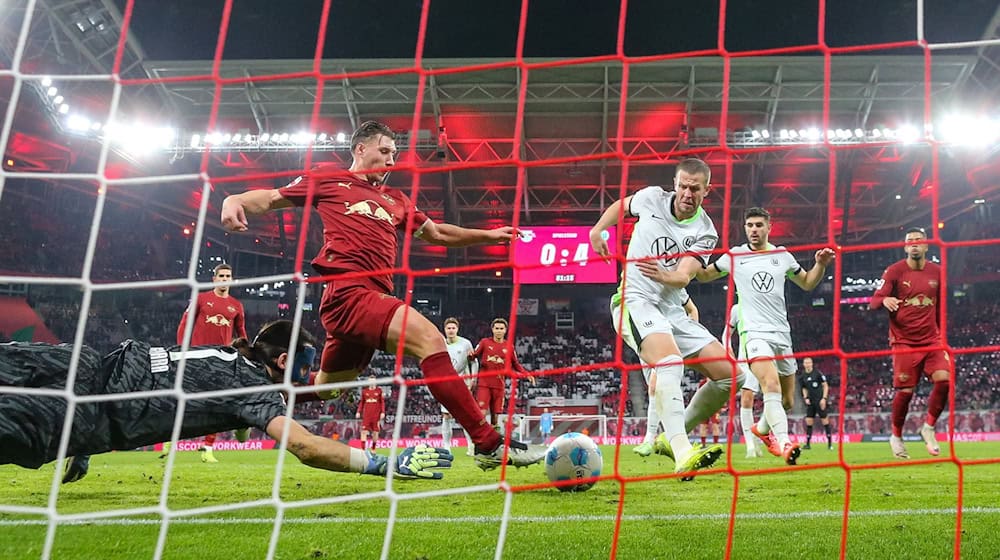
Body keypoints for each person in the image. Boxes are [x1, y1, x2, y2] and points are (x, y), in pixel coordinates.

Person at [221, 121, 544, 471]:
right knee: (430, 339)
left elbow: (437, 233)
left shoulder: (396, 200)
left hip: (371, 298)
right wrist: (234, 198)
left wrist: (490, 236)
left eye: (395, 154)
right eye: (385, 151)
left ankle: (253, 392)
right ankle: (486, 442)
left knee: (330, 388)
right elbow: (270, 198)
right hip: (348, 292)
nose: (392, 161)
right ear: (361, 149)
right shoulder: (329, 179)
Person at [1, 321, 454, 484]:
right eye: (305, 366)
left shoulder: (227, 355)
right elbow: (306, 447)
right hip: (72, 418)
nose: (308, 376)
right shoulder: (251, 388)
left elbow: (150, 380)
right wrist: (382, 464)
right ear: (282, 361)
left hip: (76, 359)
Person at [593, 157, 742, 479]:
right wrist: (598, 230)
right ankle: (682, 451)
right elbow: (622, 205)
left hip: (672, 307)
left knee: (733, 376)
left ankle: (668, 436)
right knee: (670, 364)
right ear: (675, 184)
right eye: (683, 186)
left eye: (695, 188)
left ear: (707, 190)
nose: (688, 194)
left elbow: (685, 276)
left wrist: (666, 274)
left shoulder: (706, 230)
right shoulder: (650, 198)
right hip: (635, 301)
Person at [697, 207, 835, 465]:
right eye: (749, 225)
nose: (753, 230)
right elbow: (704, 274)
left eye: (759, 225)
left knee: (786, 401)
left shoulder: (781, 255)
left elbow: (807, 283)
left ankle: (761, 429)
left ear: (769, 227)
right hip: (754, 333)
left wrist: (820, 265)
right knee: (769, 385)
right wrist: (689, 258)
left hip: (782, 334)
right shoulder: (735, 255)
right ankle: (783, 443)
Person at [869, 227, 949, 459]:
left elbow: (942, 307)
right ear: (905, 247)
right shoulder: (895, 271)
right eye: (910, 241)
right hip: (903, 341)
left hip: (932, 339)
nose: (914, 244)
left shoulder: (937, 272)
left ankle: (929, 428)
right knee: (906, 391)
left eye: (918, 241)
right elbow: (873, 302)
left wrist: (942, 336)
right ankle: (896, 435)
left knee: (944, 381)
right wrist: (885, 299)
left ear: (926, 245)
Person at [174, 262, 249, 463]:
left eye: (228, 276)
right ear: (214, 279)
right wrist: (182, 349)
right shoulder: (201, 298)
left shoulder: (236, 305)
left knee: (218, 404)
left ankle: (207, 448)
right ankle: (168, 439)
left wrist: (246, 353)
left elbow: (242, 335)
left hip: (221, 360)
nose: (225, 279)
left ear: (231, 280)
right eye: (221, 276)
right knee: (186, 399)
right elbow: (184, 324)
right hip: (196, 357)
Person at [623, 290, 699, 457]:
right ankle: (664, 438)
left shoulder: (675, 285)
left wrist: (690, 335)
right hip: (646, 333)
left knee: (655, 386)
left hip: (668, 340)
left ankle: (653, 439)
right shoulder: (640, 287)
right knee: (653, 390)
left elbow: (692, 309)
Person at [470, 318, 533, 430]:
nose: (499, 331)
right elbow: (474, 356)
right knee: (482, 412)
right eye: (497, 328)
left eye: (501, 329)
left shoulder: (509, 346)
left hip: (499, 385)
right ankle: (481, 438)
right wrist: (469, 356)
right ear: (492, 330)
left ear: (505, 330)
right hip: (484, 383)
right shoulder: (484, 342)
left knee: (495, 416)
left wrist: (526, 374)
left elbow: (516, 364)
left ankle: (494, 438)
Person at [724, 304, 763, 459]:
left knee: (778, 398)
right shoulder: (737, 309)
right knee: (747, 399)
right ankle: (750, 446)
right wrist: (727, 348)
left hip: (766, 358)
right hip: (745, 360)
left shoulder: (764, 304)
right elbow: (727, 333)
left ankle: (759, 434)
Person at [441, 317, 477, 455]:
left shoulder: (465, 344)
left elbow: (474, 362)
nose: (451, 330)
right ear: (445, 329)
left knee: (465, 415)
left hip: (462, 382)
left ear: (457, 329)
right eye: (448, 328)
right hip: (445, 382)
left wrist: (473, 378)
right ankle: (447, 447)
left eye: (453, 328)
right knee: (446, 415)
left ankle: (470, 446)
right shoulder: (440, 343)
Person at [800, 357, 832, 450]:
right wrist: (805, 398)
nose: (808, 364)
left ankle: (830, 444)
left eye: (809, 362)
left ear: (812, 364)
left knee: (825, 421)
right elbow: (804, 388)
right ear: (804, 364)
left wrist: (824, 398)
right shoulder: (803, 376)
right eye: (806, 363)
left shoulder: (817, 373)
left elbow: (825, 385)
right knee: (809, 421)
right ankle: (808, 444)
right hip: (811, 402)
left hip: (819, 401)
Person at [356, 376, 385, 451]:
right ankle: (363, 449)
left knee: (375, 432)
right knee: (363, 431)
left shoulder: (379, 391)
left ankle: (373, 448)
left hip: (376, 415)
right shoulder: (365, 391)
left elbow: (382, 402)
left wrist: (383, 412)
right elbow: (361, 402)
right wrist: (358, 411)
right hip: (367, 415)